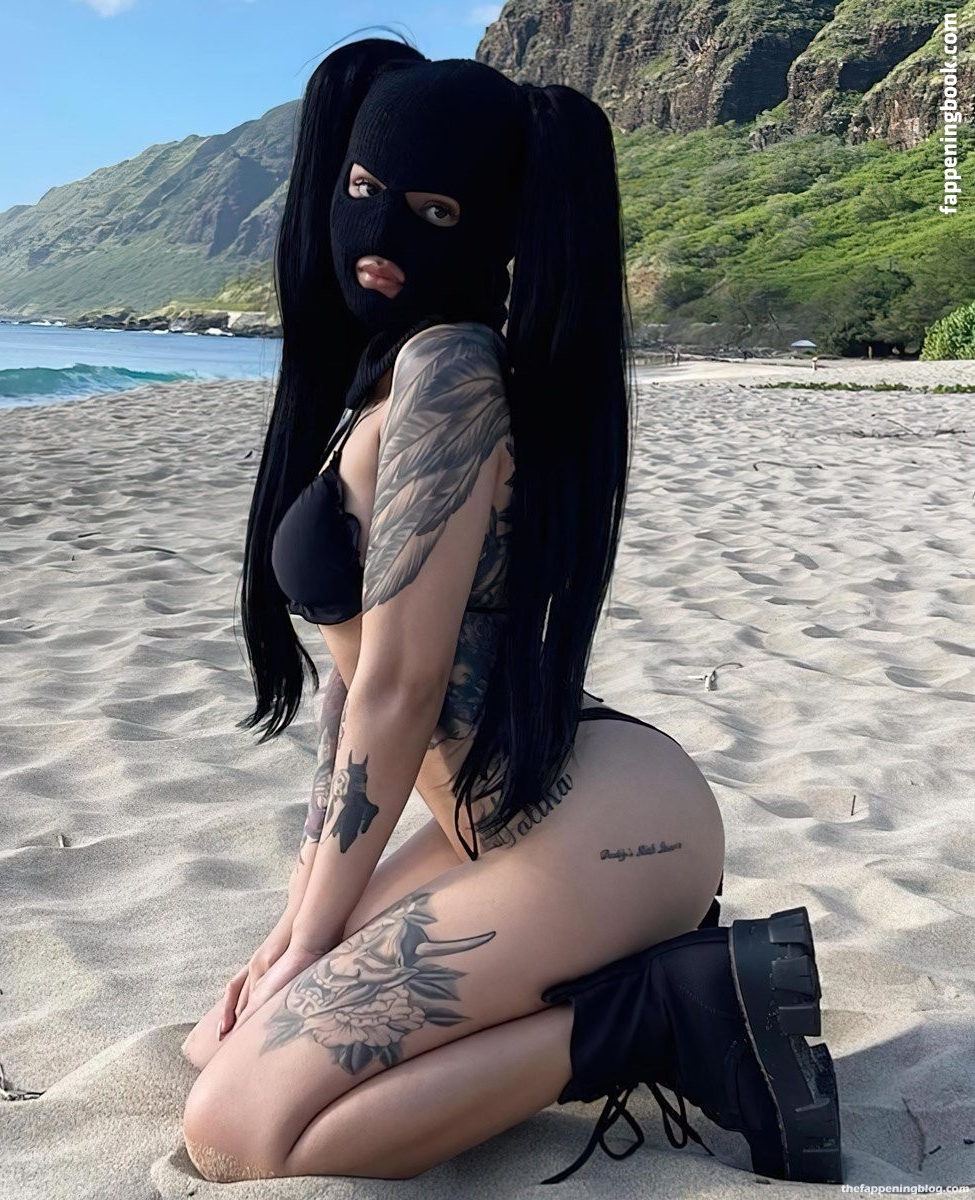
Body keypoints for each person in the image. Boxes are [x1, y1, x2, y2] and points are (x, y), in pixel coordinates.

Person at [177, 34, 842, 1186]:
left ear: (490, 230)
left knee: (237, 1131)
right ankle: (630, 989)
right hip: (499, 820)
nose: (380, 237)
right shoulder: (379, 381)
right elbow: (350, 695)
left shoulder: (450, 372)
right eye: (363, 190)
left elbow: (400, 690)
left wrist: (313, 938)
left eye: (433, 214)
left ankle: (661, 1015)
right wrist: (294, 925)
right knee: (212, 1048)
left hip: (606, 826)